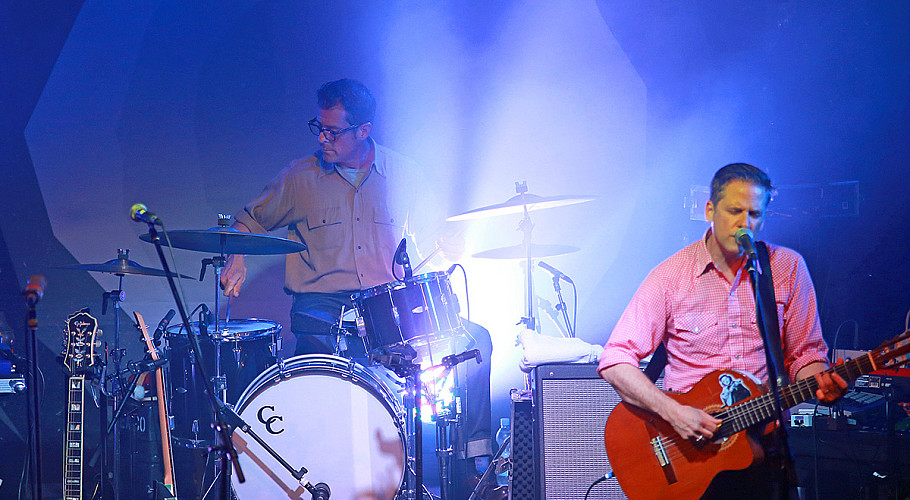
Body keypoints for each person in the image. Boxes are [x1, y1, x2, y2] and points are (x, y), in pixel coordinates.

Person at [220, 78, 493, 492]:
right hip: (322, 308)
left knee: (475, 341)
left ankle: (472, 469)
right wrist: (236, 255)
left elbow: (437, 235)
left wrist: (450, 243)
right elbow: (248, 221)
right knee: (321, 364)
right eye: (319, 128)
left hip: (386, 309)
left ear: (363, 130)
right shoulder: (300, 176)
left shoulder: (403, 173)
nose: (323, 139)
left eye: (333, 131)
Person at [598, 163, 847, 498]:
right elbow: (615, 360)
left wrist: (821, 381)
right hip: (689, 451)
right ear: (710, 211)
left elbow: (805, 355)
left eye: (754, 214)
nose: (745, 223)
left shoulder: (787, 268)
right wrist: (674, 412)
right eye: (734, 211)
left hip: (764, 448)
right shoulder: (670, 276)